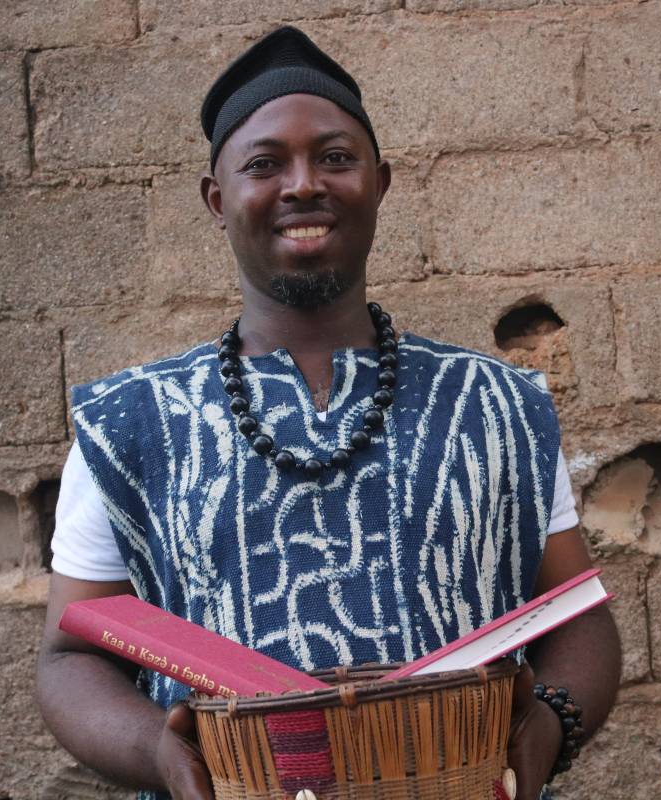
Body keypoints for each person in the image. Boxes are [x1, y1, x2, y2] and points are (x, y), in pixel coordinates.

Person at [37, 26, 622, 800]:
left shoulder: (496, 405)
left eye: (335, 157)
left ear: (380, 184)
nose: (303, 184)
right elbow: (71, 655)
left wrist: (546, 725)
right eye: (264, 164)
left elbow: (576, 613)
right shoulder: (131, 424)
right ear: (218, 199)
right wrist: (158, 753)